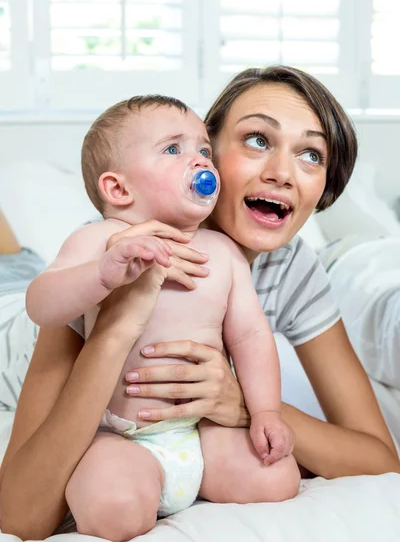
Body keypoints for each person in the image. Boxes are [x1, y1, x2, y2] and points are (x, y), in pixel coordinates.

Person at [1, 66, 399, 542]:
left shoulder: (289, 267)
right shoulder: (119, 245)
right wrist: (122, 311)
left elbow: (378, 460)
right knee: (14, 264)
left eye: (311, 154)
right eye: (257, 139)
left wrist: (244, 403)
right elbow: (22, 515)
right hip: (16, 316)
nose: (281, 173)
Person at [24, 95, 299, 533]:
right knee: (114, 506)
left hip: (196, 433)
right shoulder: (101, 240)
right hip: (122, 436)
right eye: (174, 149)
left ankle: (193, 482)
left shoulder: (223, 253)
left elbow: (250, 337)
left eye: (203, 150)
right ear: (118, 189)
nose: (198, 161)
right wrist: (102, 274)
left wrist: (265, 412)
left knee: (279, 478)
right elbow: (41, 305)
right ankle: (135, 487)